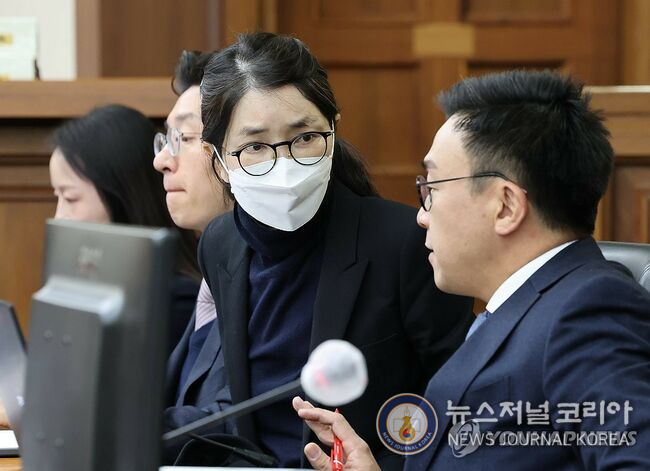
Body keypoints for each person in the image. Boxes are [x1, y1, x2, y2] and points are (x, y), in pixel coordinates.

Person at [294, 70, 650, 470]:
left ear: (505, 206)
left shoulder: (590, 313)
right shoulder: (522, 308)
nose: (422, 216)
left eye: (431, 188)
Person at [197, 32, 474, 469]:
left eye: (305, 137)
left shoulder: (405, 242)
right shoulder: (219, 244)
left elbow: (465, 404)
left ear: (333, 127)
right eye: (255, 147)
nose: (285, 164)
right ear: (218, 161)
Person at [49, 104, 201, 354]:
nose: (59, 216)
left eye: (70, 198)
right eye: (57, 196)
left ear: (121, 196)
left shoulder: (173, 301)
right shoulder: (91, 285)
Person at [152, 50, 235, 462]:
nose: (161, 160)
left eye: (182, 139)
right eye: (165, 140)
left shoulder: (272, 275)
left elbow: (231, 426)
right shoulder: (214, 266)